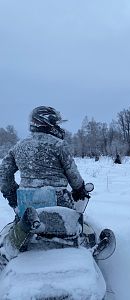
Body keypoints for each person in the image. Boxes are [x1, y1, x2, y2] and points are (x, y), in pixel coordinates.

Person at [0, 106, 90, 268]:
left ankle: (10, 248)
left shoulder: (18, 146)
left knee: (15, 227)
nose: (58, 127)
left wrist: (12, 194)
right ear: (47, 123)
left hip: (26, 205)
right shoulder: (59, 145)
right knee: (78, 228)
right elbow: (74, 176)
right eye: (56, 123)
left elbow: (3, 174)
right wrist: (79, 189)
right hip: (59, 203)